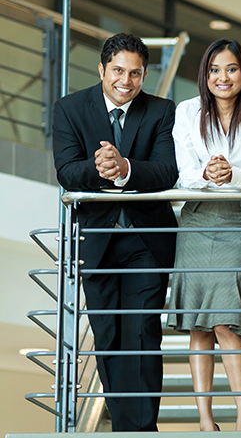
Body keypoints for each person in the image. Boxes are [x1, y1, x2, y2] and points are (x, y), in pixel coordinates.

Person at [52, 33, 177, 431]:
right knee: (107, 336)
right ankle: (125, 428)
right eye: (118, 71)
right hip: (97, 240)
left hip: (146, 240)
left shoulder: (162, 111)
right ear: (102, 69)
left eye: (135, 73)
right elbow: (67, 171)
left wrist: (125, 168)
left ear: (144, 75)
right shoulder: (70, 108)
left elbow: (166, 171)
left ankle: (142, 430)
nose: (126, 81)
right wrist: (102, 167)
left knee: (141, 333)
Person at [167, 38, 241, 431]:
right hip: (197, 218)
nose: (223, 77)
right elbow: (184, 173)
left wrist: (233, 174)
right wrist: (207, 174)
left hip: (238, 218)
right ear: (205, 75)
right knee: (199, 324)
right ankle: (205, 421)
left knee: (226, 321)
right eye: (214, 70)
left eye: (231, 68)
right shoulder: (187, 111)